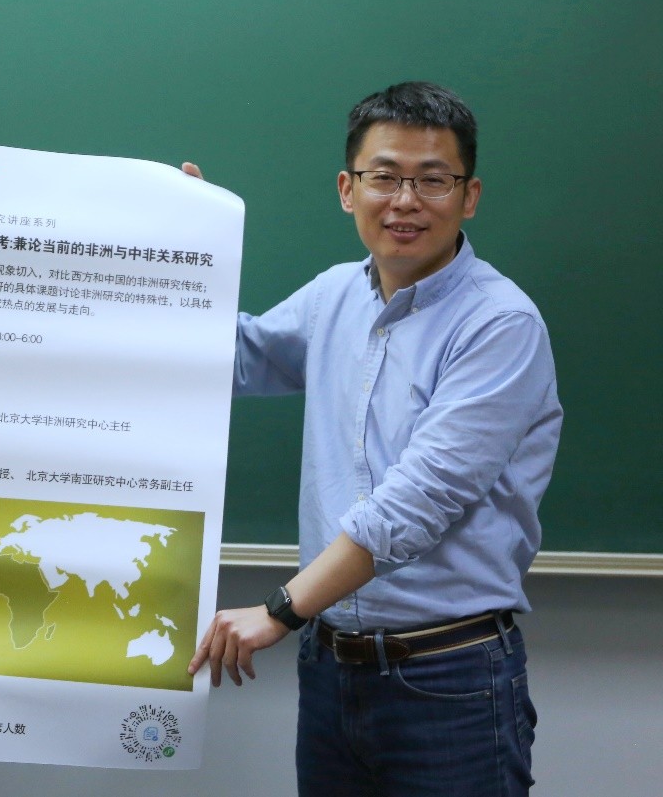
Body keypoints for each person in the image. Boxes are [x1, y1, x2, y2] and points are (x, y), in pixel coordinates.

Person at [186, 81, 562, 795]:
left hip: (447, 678)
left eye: (433, 179)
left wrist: (280, 610)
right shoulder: (335, 294)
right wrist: (177, 249)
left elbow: (415, 504)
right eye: (384, 176)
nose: (405, 201)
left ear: (469, 196)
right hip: (331, 669)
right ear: (346, 189)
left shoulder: (499, 324)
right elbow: (228, 360)